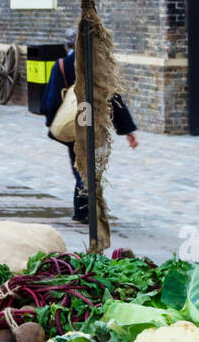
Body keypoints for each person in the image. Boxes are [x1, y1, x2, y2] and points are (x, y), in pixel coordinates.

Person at [41, 28, 138, 224]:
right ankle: (86, 208)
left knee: (80, 165)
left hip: (72, 126)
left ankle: (84, 208)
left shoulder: (61, 66)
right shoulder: (100, 66)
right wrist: (126, 130)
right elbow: (114, 98)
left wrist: (53, 122)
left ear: (68, 45)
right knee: (91, 164)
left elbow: (51, 101)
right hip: (96, 123)